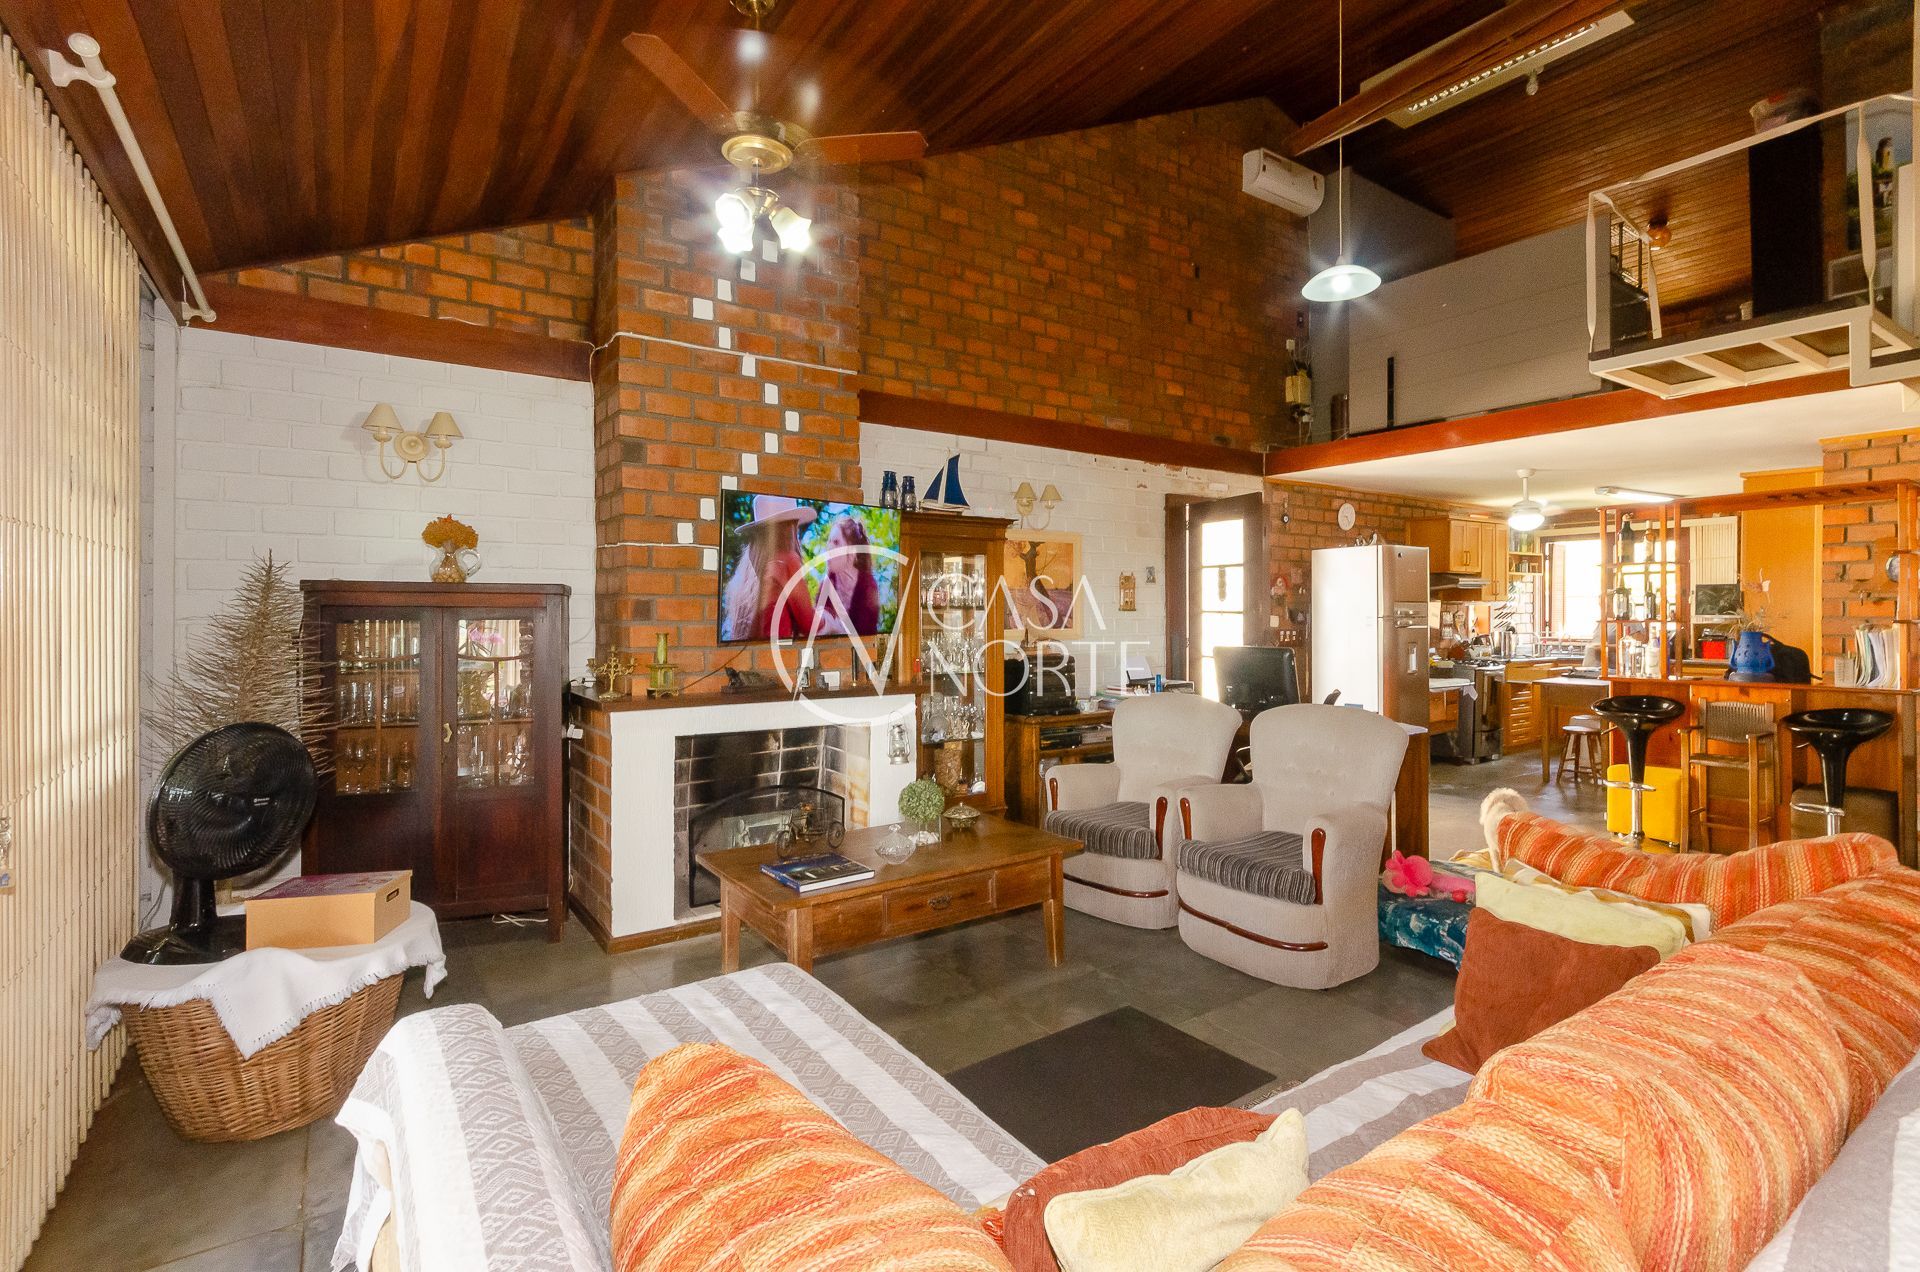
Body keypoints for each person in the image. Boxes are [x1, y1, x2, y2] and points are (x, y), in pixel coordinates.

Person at [721, 495, 818, 641]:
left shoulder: (741, 584)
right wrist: (831, 619)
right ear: (790, 529)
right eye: (796, 528)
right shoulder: (788, 561)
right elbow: (810, 626)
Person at [817, 514, 881, 636]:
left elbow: (864, 636)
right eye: (829, 541)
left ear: (852, 552)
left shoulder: (868, 586)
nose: (828, 548)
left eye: (836, 542)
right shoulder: (826, 584)